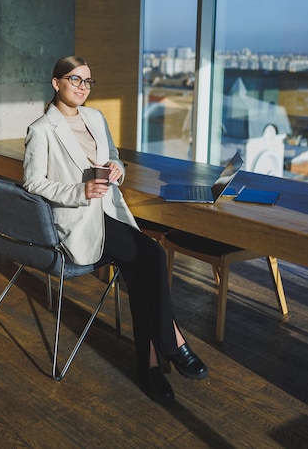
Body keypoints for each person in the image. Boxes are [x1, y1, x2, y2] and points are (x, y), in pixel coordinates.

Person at [23, 55, 208, 406]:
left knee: (139, 271)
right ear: (56, 83)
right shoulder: (41, 129)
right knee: (151, 253)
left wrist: (116, 168)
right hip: (78, 222)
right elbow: (32, 183)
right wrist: (79, 191)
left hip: (109, 214)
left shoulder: (95, 117)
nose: (82, 87)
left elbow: (115, 156)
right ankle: (173, 342)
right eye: (75, 79)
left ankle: (149, 366)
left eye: (87, 82)